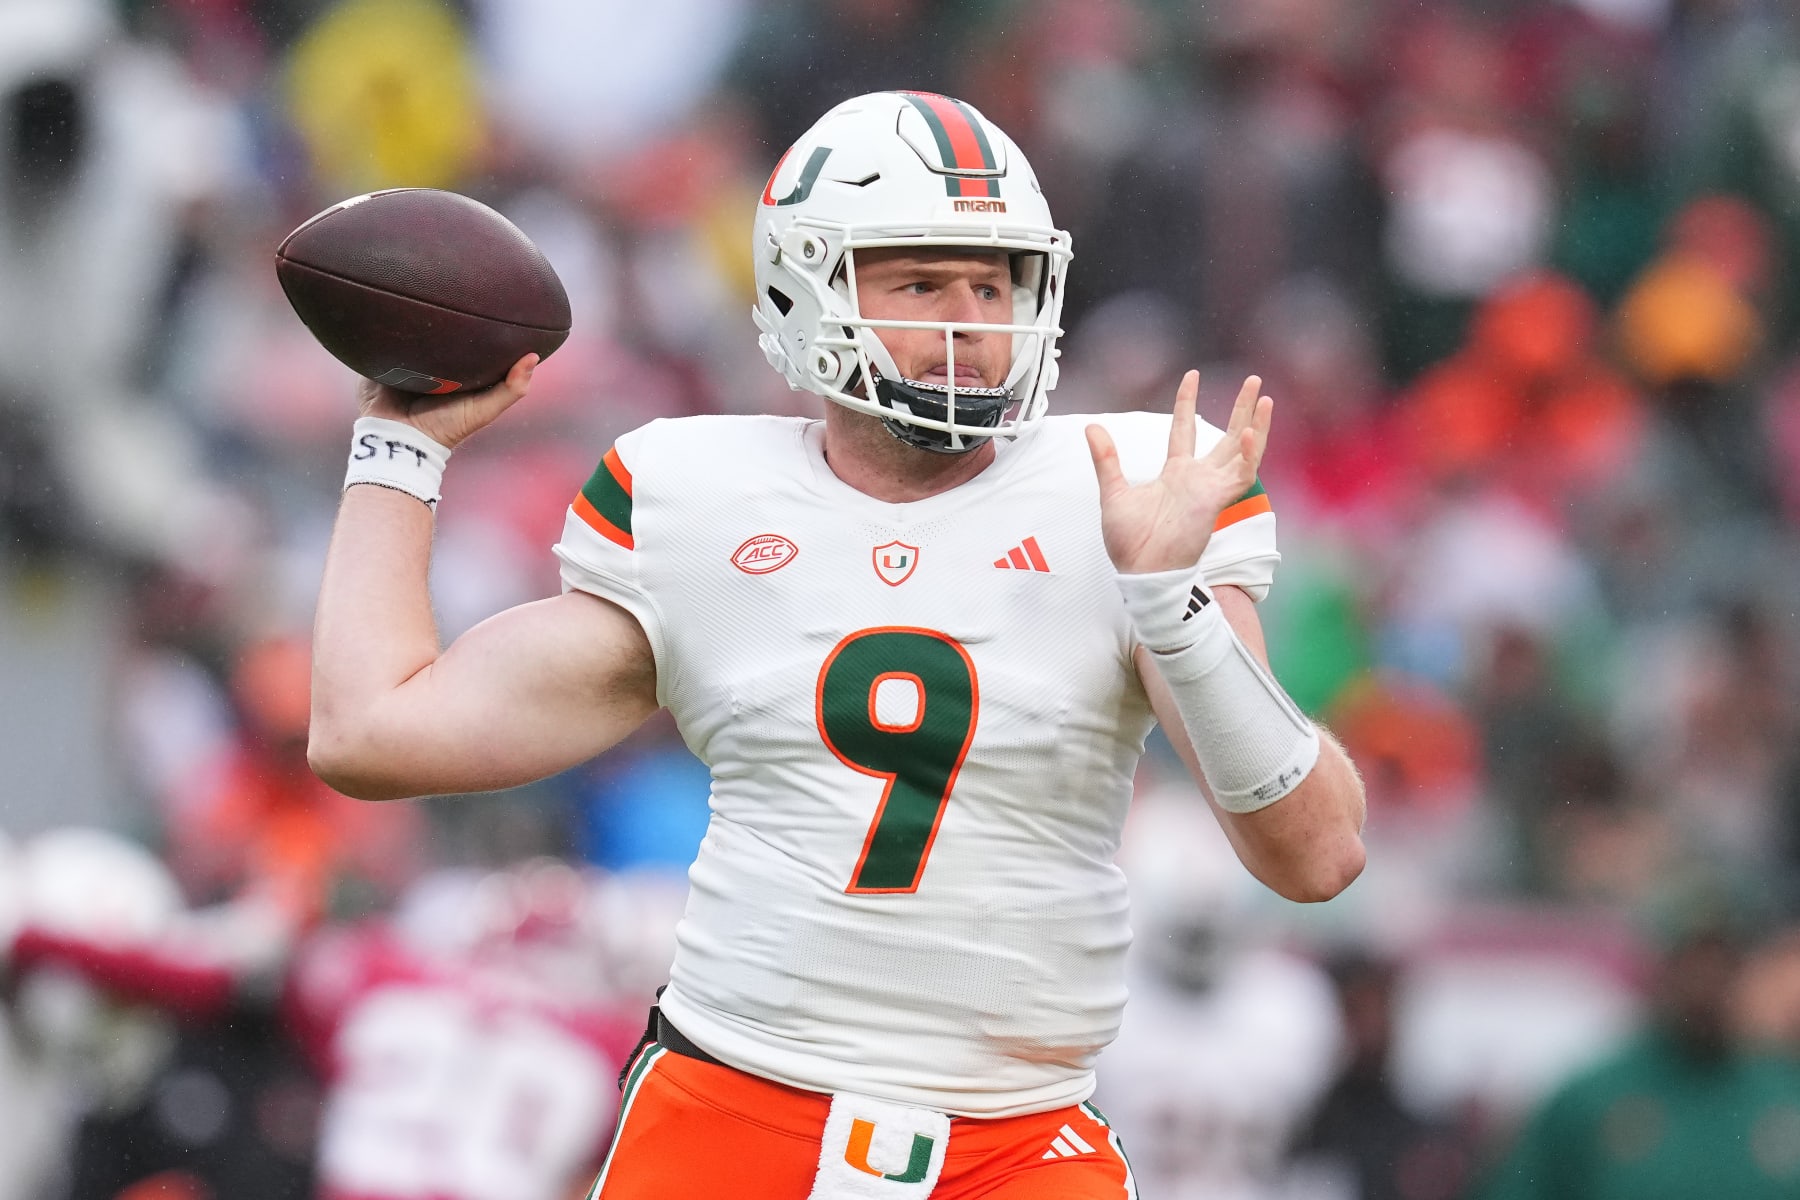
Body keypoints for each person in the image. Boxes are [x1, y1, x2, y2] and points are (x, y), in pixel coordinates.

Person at [308, 90, 1367, 1199]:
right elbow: (371, 733)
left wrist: (1173, 600)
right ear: (802, 287)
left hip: (1013, 1142)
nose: (971, 321)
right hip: (728, 1108)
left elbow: (1317, 856)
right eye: (920, 282)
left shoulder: (1129, 489)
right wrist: (399, 448)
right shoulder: (698, 499)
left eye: (994, 282)